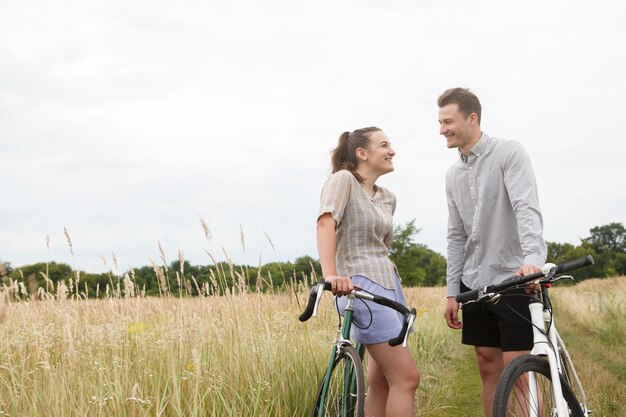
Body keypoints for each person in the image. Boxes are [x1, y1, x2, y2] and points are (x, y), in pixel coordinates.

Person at [438, 88, 547, 417]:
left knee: (519, 374)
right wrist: (452, 291)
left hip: (514, 277)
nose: (442, 129)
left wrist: (533, 263)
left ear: (472, 118)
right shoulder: (452, 174)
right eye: (439, 122)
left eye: (448, 121)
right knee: (487, 367)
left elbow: (526, 208)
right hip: (475, 283)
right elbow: (456, 235)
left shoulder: (508, 152)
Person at [317, 127, 420, 417]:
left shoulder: (388, 198)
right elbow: (326, 223)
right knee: (407, 377)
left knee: (383, 381)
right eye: (384, 145)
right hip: (358, 285)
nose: (392, 151)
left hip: (389, 287)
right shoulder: (343, 181)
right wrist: (331, 275)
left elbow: (381, 247)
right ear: (362, 153)